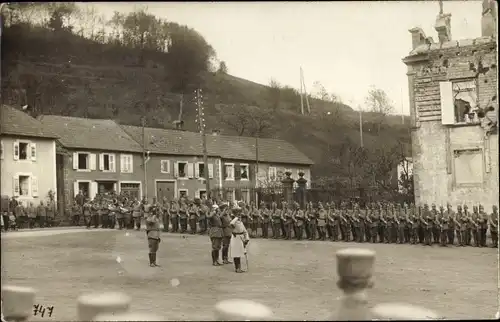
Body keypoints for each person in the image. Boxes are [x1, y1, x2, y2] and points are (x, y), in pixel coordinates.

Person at [145, 201, 161, 267]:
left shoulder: (156, 218)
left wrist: (159, 236)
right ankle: (151, 262)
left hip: (156, 235)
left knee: (155, 249)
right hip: (151, 235)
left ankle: (154, 262)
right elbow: (151, 222)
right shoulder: (149, 218)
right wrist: (153, 215)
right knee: (152, 249)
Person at [208, 202, 224, 266]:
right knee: (215, 247)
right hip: (214, 231)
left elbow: (221, 216)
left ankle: (217, 260)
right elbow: (209, 217)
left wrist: (224, 210)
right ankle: (214, 261)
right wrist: (213, 212)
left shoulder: (217, 215)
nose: (219, 210)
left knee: (218, 247)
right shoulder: (212, 215)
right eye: (218, 209)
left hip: (219, 232)